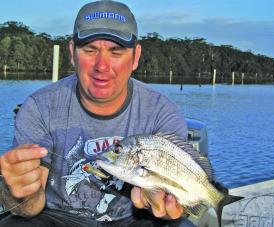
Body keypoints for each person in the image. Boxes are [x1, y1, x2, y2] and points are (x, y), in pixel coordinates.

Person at [0, 1, 194, 226]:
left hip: (133, 219)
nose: (102, 66)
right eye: (90, 50)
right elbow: (30, 208)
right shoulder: (38, 107)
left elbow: (175, 199)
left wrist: (161, 203)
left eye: (116, 51)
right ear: (73, 53)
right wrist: (18, 191)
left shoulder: (162, 112)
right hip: (58, 219)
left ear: (136, 57)